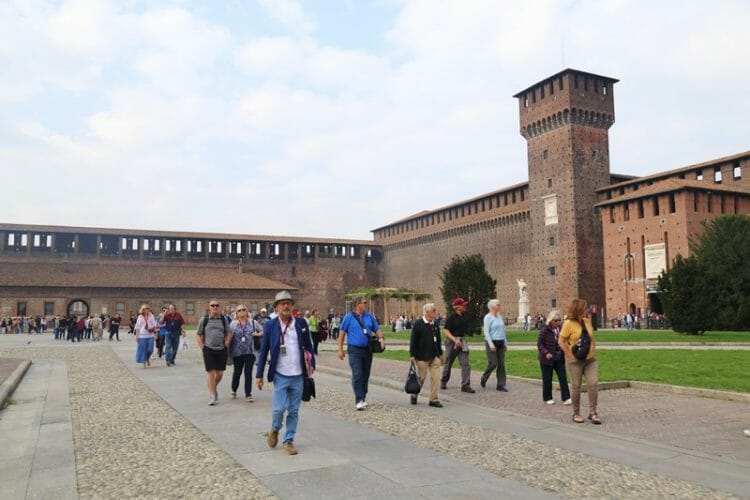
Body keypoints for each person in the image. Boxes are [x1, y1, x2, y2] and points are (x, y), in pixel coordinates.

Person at [256, 291, 315, 456]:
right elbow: (263, 351)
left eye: (288, 302)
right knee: (278, 410)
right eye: (282, 303)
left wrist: (312, 365)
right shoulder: (270, 325)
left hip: (298, 375)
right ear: (276, 307)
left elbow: (309, 346)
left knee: (294, 411)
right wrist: (259, 375)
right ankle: (275, 429)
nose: (286, 306)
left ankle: (288, 441)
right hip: (280, 374)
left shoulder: (301, 323)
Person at [337, 296, 384, 410]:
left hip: (367, 349)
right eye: (364, 302)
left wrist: (381, 338)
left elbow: (376, 329)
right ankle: (358, 399)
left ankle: (363, 396)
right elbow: (342, 333)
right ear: (358, 304)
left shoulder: (369, 317)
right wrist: (340, 349)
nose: (366, 304)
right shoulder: (348, 318)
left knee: (365, 374)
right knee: (357, 373)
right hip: (354, 350)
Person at [558, 298, 600, 424]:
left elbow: (591, 338)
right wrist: (570, 355)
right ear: (578, 310)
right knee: (576, 387)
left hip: (590, 360)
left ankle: (593, 413)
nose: (586, 309)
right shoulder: (568, 324)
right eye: (584, 307)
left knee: (593, 384)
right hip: (575, 361)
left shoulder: (587, 321)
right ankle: (576, 413)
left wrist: (593, 348)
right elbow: (561, 341)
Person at [196, 299, 232, 406]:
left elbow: (229, 332)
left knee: (220, 373)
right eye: (213, 305)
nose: (215, 307)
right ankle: (212, 395)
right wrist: (203, 347)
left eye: (217, 305)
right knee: (210, 373)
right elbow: (198, 335)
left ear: (219, 307)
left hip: (221, 349)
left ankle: (213, 387)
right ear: (209, 307)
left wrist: (227, 342)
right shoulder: (204, 320)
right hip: (208, 349)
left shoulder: (223, 319)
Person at [409, 303, 444, 407]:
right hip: (422, 356)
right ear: (427, 312)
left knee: (436, 378)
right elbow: (413, 341)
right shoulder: (418, 324)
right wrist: (412, 355)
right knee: (421, 378)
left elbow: (438, 340)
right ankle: (414, 394)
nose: (435, 312)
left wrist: (440, 354)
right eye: (434, 310)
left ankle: (433, 399)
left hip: (435, 355)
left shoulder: (435, 324)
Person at [440, 297, 475, 393]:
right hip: (452, 342)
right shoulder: (451, 317)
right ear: (458, 307)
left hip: (462, 341)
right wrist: (455, 340)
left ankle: (465, 385)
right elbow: (446, 331)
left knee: (465, 364)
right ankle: (443, 381)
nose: (465, 306)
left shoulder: (463, 316)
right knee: (448, 363)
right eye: (463, 304)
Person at [537, 311, 571, 405]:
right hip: (547, 358)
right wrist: (546, 353)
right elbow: (539, 344)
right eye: (556, 321)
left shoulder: (560, 329)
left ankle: (566, 397)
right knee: (547, 378)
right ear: (551, 321)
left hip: (559, 357)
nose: (558, 322)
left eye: (559, 320)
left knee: (562, 377)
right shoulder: (545, 330)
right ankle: (548, 397)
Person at [229, 304, 260, 402]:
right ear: (237, 313)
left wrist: (257, 334)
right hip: (237, 352)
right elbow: (228, 336)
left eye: (243, 309)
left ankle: (248, 394)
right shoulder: (233, 324)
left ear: (247, 312)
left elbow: (264, 331)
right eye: (239, 310)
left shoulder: (253, 322)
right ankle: (234, 389)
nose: (241, 311)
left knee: (248, 373)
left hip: (249, 352)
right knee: (237, 372)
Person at [480, 299, 508, 391]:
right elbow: (486, 332)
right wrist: (491, 344)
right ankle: (484, 378)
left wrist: (505, 343)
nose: (499, 306)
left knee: (501, 364)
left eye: (499, 305)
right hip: (491, 342)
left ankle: (500, 385)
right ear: (492, 307)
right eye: (498, 305)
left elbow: (503, 331)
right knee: (493, 363)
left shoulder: (499, 317)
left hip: (500, 342)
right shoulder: (488, 317)